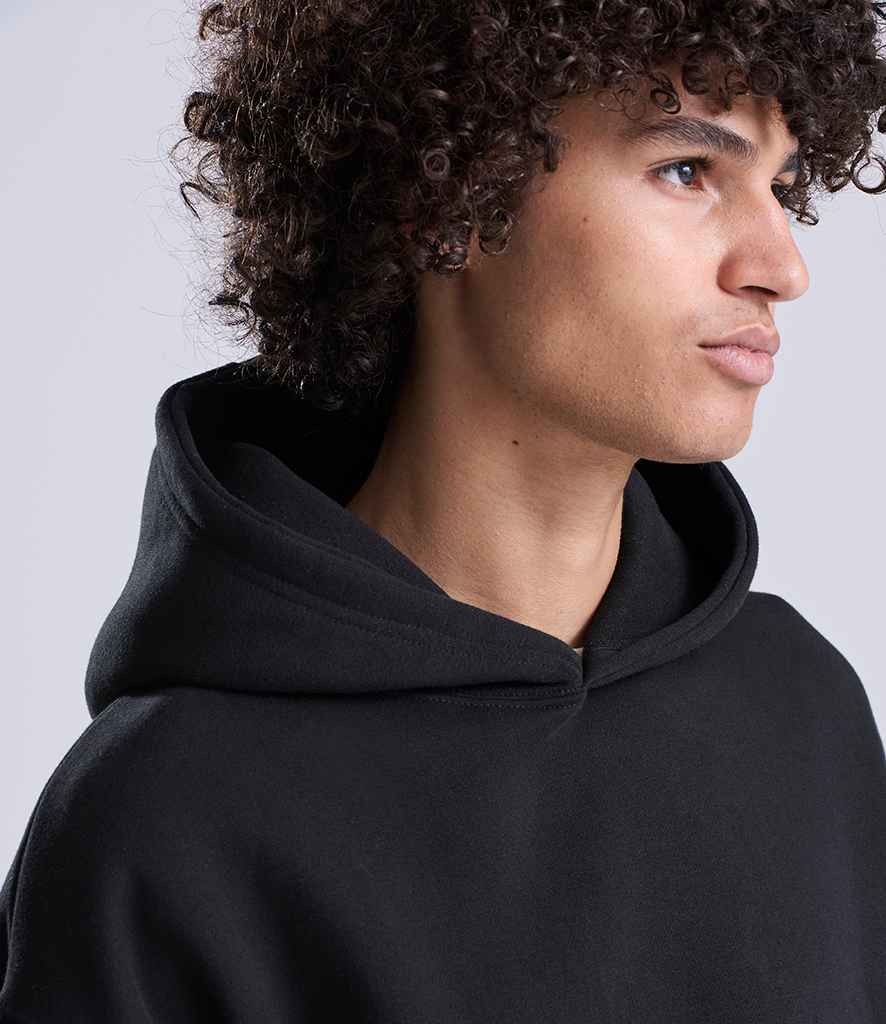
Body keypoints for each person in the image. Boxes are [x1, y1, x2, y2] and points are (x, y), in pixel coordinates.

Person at [2, 2, 886, 1021]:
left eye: (781, 186)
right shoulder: (162, 820)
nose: (781, 267)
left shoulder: (799, 709)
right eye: (687, 171)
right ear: (444, 197)